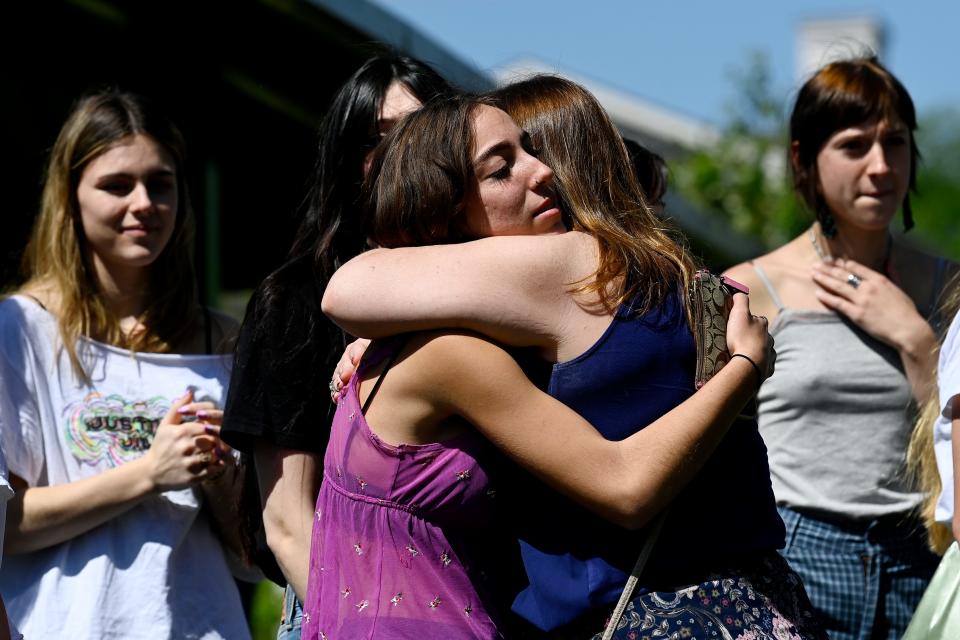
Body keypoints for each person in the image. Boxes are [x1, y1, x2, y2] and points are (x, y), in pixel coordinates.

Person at [318, 79, 824, 639]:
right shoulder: (662, 273)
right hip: (760, 598)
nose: (540, 172)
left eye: (534, 151)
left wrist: (745, 371)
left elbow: (348, 289)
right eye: (501, 165)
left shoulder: (564, 263)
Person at [219, 51, 454, 639]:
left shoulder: (484, 285)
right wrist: (359, 624)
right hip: (341, 609)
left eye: (420, 131)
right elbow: (287, 519)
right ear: (349, 162)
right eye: (378, 138)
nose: (402, 152)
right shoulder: (295, 300)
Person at [0, 89, 249, 639]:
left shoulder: (225, 340)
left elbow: (252, 559)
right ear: (70, 197)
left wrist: (222, 484)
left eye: (160, 183)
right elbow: (7, 525)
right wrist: (150, 473)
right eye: (117, 185)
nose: (144, 203)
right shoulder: (19, 328)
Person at [722, 56, 956, 640]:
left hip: (924, 556)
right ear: (804, 158)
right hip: (798, 560)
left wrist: (915, 337)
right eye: (854, 146)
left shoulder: (951, 291)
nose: (881, 167)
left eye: (895, 143)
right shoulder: (751, 290)